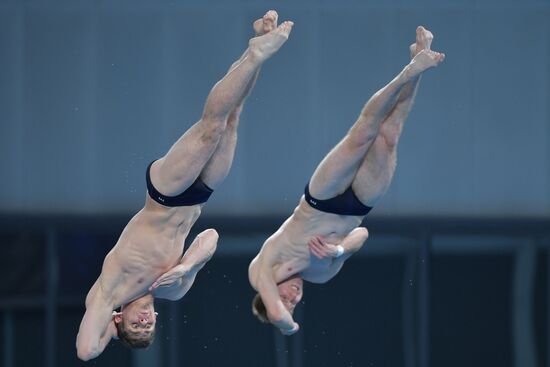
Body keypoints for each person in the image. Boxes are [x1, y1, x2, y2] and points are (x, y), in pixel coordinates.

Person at [76, 11, 294, 360]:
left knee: (210, 127)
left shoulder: (109, 290)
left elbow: (86, 351)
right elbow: (211, 238)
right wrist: (186, 266)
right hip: (198, 196)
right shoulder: (173, 290)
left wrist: (110, 327)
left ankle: (256, 53)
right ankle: (255, 46)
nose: (145, 321)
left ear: (118, 320)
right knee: (232, 120)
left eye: (136, 325)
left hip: (165, 192)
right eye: (149, 327)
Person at [248, 26, 444, 335]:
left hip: (321, 199)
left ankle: (407, 72)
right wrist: (338, 251)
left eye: (285, 300)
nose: (293, 298)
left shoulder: (262, 269)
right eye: (295, 304)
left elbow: (280, 319)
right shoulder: (321, 273)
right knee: (389, 136)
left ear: (269, 293)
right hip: (356, 208)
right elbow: (361, 235)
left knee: (364, 132)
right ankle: (418, 60)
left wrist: (289, 324)